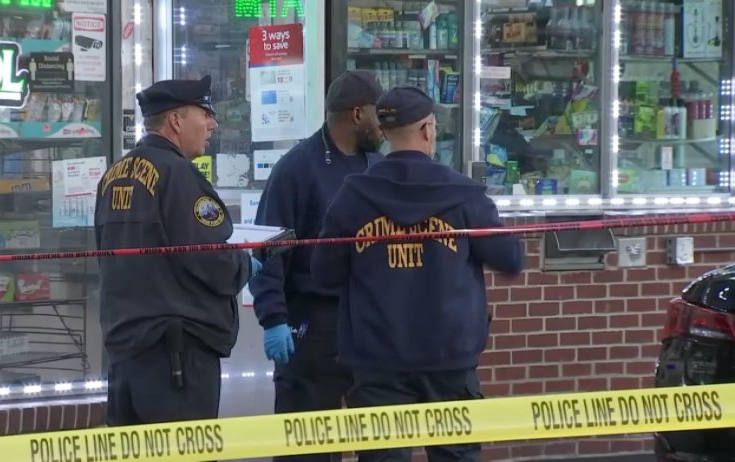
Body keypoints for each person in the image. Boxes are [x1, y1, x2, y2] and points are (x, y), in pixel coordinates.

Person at [310, 86, 524, 462]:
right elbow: (509, 258)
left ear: (385, 132)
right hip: (450, 360)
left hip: (376, 361)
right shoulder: (465, 195)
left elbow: (324, 274)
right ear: (428, 129)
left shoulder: (353, 195)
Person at [94, 75, 261, 426]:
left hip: (125, 351)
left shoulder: (113, 175)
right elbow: (211, 258)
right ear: (175, 120)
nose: (212, 124)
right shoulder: (179, 174)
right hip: (176, 356)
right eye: (204, 113)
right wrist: (247, 263)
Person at [250, 70, 385, 461]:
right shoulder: (298, 168)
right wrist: (273, 317)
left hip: (367, 321)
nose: (385, 125)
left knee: (377, 441)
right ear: (357, 114)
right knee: (306, 443)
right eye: (379, 114)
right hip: (311, 322)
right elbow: (269, 246)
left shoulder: (376, 166)